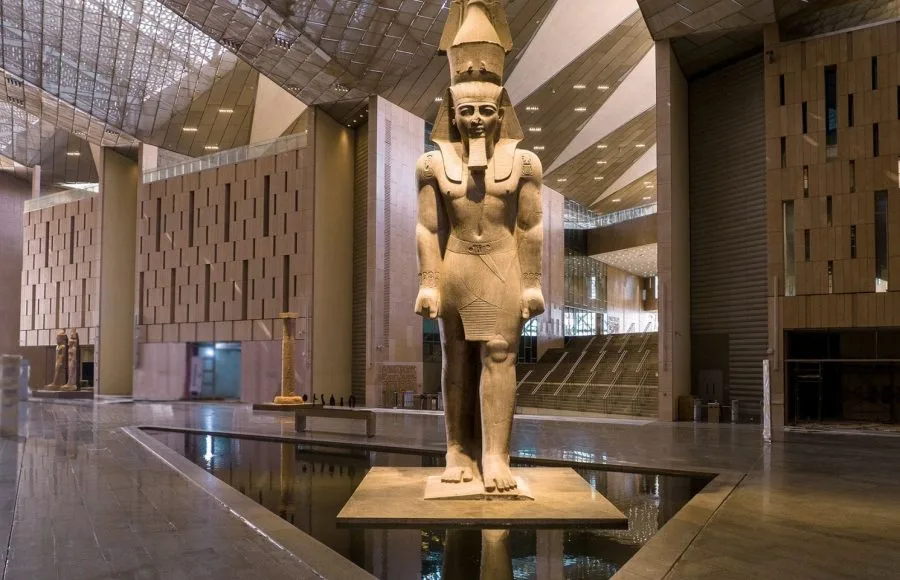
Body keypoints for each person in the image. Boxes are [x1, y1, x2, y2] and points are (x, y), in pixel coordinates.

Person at [414, 0, 543, 493]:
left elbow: (530, 227)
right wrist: (428, 283)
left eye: (486, 111)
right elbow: (427, 229)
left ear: (502, 112)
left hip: (504, 265)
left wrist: (532, 284)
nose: (475, 121)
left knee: (499, 351)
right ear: (451, 111)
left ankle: (496, 454)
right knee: (457, 357)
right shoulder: (431, 165)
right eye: (465, 111)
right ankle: (457, 449)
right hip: (456, 266)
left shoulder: (525, 163)